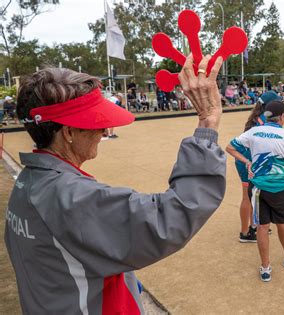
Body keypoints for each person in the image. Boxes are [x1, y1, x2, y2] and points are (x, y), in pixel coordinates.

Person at [5, 55, 225, 313]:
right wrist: (207, 123)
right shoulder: (69, 196)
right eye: (95, 124)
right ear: (68, 133)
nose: (103, 131)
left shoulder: (28, 182)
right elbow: (171, 217)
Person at [226, 100, 284, 282]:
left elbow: (230, 147)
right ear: (282, 118)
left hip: (257, 189)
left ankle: (265, 268)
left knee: (262, 227)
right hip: (280, 188)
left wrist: (247, 162)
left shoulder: (253, 131)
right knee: (282, 225)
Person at [226, 91, 282, 243]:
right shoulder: (264, 121)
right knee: (248, 197)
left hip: (249, 161)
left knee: (253, 196)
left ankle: (254, 226)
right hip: (247, 162)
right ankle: (245, 233)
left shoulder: (258, 117)